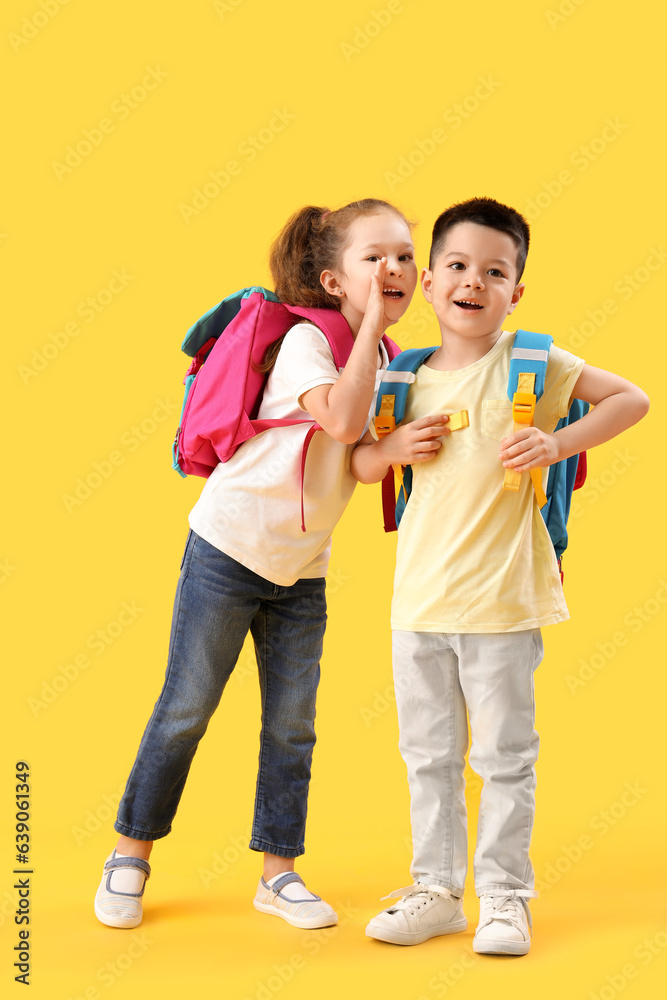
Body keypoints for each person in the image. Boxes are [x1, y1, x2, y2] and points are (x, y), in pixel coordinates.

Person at [94, 198, 418, 931]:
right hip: (229, 549)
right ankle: (128, 854)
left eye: (404, 254)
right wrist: (369, 331)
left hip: (302, 569)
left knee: (292, 726)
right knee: (185, 708)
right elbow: (337, 416)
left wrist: (394, 450)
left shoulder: (385, 357)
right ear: (335, 281)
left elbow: (356, 458)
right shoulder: (308, 342)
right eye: (375, 257)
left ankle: (278, 874)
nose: (394, 267)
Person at [351, 197, 649, 955]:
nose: (472, 282)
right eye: (456, 266)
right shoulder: (402, 380)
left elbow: (630, 399)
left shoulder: (531, 363)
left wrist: (557, 444)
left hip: (504, 607)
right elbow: (358, 465)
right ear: (427, 281)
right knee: (427, 756)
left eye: (494, 271)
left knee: (504, 758)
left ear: (515, 291)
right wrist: (391, 452)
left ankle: (505, 898)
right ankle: (437, 890)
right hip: (417, 606)